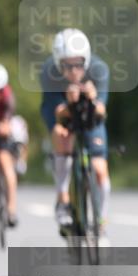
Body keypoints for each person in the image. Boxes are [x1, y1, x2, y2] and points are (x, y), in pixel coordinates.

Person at [39, 29, 112, 242]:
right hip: (63, 114)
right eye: (66, 65)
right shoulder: (48, 72)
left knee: (99, 170)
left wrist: (92, 97)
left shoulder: (99, 70)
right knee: (62, 136)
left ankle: (101, 224)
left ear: (86, 61)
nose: (73, 70)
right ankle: (63, 199)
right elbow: (57, 113)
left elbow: (101, 112)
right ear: (57, 63)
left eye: (78, 64)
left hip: (90, 117)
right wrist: (70, 103)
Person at [0, 63, 19, 227]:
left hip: (0, 130)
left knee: (6, 166)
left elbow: (9, 116)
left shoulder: (7, 96)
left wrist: (4, 126)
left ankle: (11, 210)